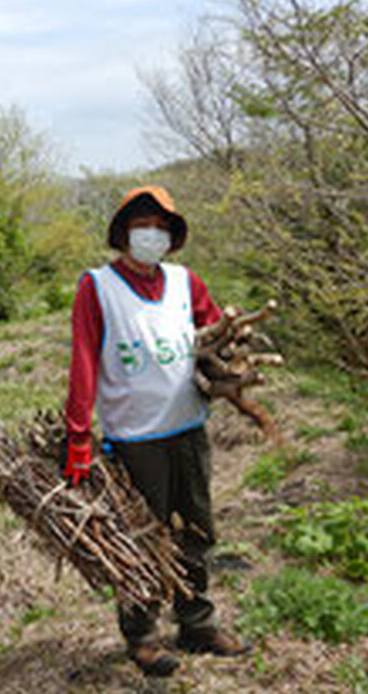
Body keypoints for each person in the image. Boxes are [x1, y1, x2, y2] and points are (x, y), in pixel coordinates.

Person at [63, 185, 250, 677]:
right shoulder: (97, 286)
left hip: (187, 427)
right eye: (143, 225)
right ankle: (142, 635)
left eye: (161, 227)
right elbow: (83, 359)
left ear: (172, 237)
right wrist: (78, 434)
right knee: (142, 537)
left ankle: (196, 621)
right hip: (134, 437)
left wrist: (231, 366)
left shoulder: (184, 281)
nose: (152, 234)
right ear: (124, 232)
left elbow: (214, 334)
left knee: (195, 528)